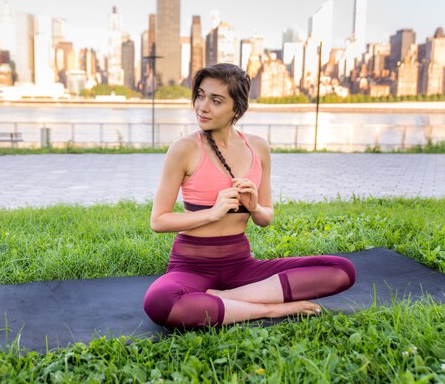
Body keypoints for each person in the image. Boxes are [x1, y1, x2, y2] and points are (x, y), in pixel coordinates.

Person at [143, 63, 355, 329]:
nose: (202, 106)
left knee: (341, 270)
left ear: (237, 109)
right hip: (191, 267)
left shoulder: (258, 148)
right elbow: (158, 221)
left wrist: (255, 207)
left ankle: (225, 299)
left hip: (241, 267)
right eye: (200, 95)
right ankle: (269, 309)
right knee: (160, 302)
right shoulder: (184, 149)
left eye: (216, 100)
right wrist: (212, 213)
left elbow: (266, 218)